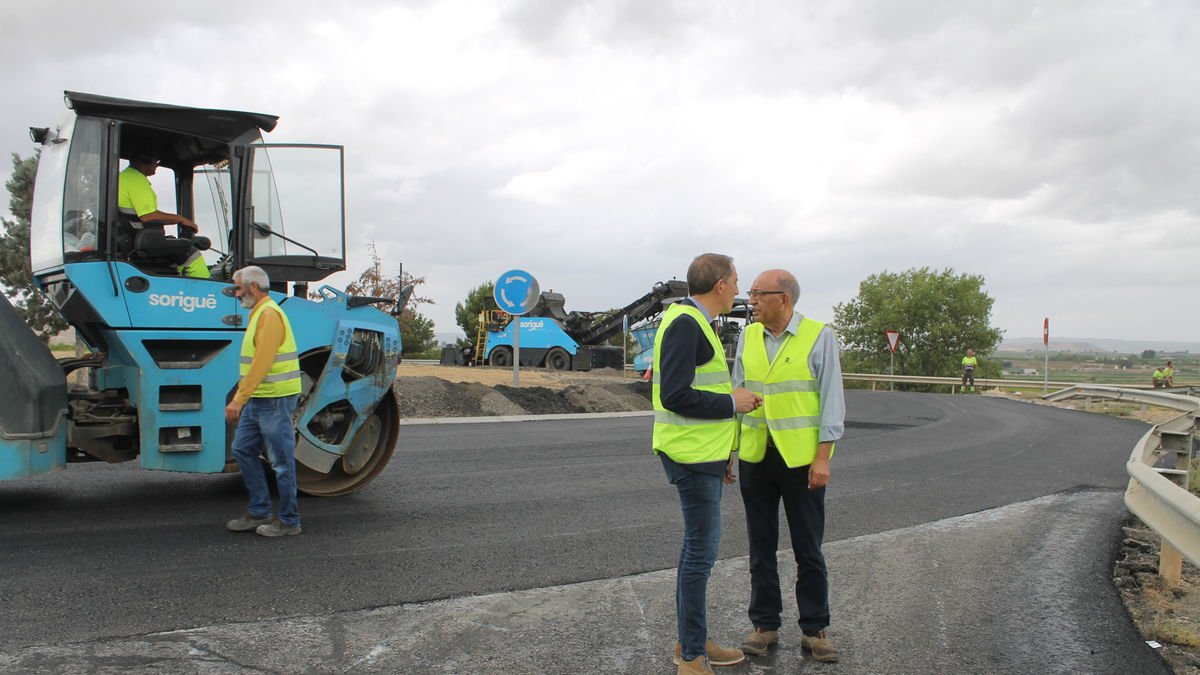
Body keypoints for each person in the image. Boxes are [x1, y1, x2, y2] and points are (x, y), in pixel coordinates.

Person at [655, 253, 762, 675]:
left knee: (694, 552)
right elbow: (675, 395)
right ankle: (692, 658)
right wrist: (730, 403)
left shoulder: (695, 321)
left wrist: (725, 453)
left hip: (703, 454)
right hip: (690, 453)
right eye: (735, 281)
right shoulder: (686, 323)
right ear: (719, 285)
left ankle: (692, 641)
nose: (739, 288)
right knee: (700, 554)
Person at [734, 269, 845, 664]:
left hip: (801, 462)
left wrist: (822, 458)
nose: (752, 301)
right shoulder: (747, 337)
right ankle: (765, 625)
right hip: (756, 457)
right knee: (760, 547)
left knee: (808, 549)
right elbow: (738, 394)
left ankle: (815, 629)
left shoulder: (819, 336)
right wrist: (731, 451)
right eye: (750, 293)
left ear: (783, 298)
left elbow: (831, 401)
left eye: (758, 294)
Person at [225, 266, 303, 537]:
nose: (235, 293)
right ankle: (259, 510)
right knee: (243, 449)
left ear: (253, 287)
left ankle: (290, 521)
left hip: (275, 400)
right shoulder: (257, 314)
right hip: (260, 399)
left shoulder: (269, 315)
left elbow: (262, 362)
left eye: (238, 288)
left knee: (281, 461)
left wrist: (238, 399)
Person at [117, 151, 211, 278]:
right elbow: (148, 216)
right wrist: (180, 219)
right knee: (190, 253)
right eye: (156, 161)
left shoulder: (125, 177)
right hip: (140, 241)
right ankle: (206, 293)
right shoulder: (136, 181)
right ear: (144, 160)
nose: (157, 165)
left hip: (133, 238)